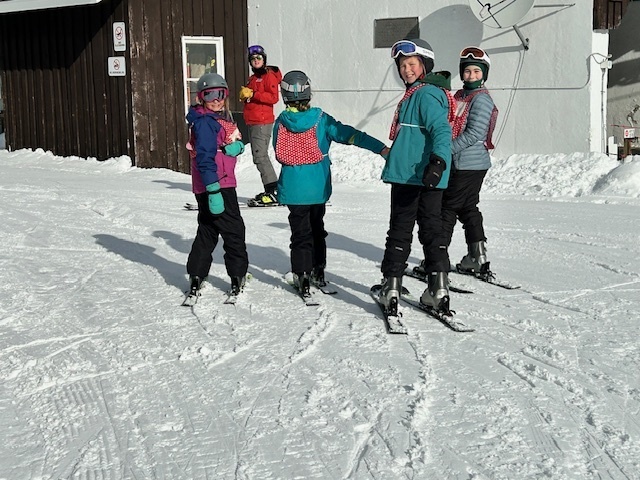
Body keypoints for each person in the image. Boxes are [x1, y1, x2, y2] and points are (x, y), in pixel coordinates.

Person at [273, 70, 388, 295]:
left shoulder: (281, 123)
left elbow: (279, 152)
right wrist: (380, 148)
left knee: (300, 233)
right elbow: (349, 134)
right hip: (317, 188)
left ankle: (302, 275)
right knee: (317, 229)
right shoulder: (321, 120)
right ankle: (318, 270)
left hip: (294, 190)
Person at [377, 38, 453, 316]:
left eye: (411, 64)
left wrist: (438, 161)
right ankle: (436, 288)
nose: (406, 70)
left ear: (424, 66)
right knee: (431, 231)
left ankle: (392, 286)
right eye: (402, 65)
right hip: (421, 175)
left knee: (402, 229)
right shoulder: (418, 93)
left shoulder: (424, 94)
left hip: (415, 176)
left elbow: (441, 131)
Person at [414, 47, 498, 277]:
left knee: (446, 210)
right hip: (464, 164)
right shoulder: (460, 96)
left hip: (467, 164)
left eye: (476, 71)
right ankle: (476, 256)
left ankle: (436, 260)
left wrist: (445, 150)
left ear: (484, 75)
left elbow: (474, 134)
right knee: (468, 208)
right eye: (467, 71)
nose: (471, 75)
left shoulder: (481, 100)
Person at [185, 72, 249, 297]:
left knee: (208, 229)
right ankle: (237, 275)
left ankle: (196, 274)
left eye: (220, 93)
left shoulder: (215, 119)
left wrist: (234, 147)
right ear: (201, 97)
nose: (216, 98)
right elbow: (204, 157)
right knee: (234, 230)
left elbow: (220, 147)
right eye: (210, 94)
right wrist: (213, 189)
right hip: (217, 186)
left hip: (212, 184)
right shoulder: (204, 122)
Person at [239, 45, 283, 206]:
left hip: (262, 121)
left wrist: (253, 94)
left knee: (260, 156)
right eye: (253, 59)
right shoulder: (254, 77)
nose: (256, 61)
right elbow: (252, 96)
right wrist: (245, 96)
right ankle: (271, 189)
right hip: (253, 120)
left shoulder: (268, 76)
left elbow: (273, 98)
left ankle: (273, 190)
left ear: (264, 59)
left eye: (259, 58)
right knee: (258, 156)